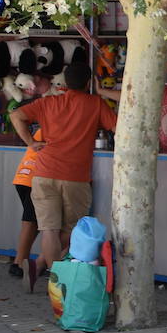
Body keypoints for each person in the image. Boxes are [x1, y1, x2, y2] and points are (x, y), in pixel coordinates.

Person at [8, 61, 117, 279]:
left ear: (65, 82)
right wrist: (104, 92)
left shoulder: (49, 103)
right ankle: (54, 275)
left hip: (44, 172)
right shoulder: (96, 104)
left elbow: (16, 115)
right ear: (89, 83)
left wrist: (31, 142)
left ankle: (50, 272)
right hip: (76, 176)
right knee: (71, 230)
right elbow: (118, 128)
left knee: (49, 229)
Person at [9, 123, 42, 281]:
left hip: (23, 177)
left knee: (34, 221)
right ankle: (19, 264)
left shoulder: (47, 128)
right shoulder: (53, 128)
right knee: (30, 221)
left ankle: (22, 262)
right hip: (33, 179)